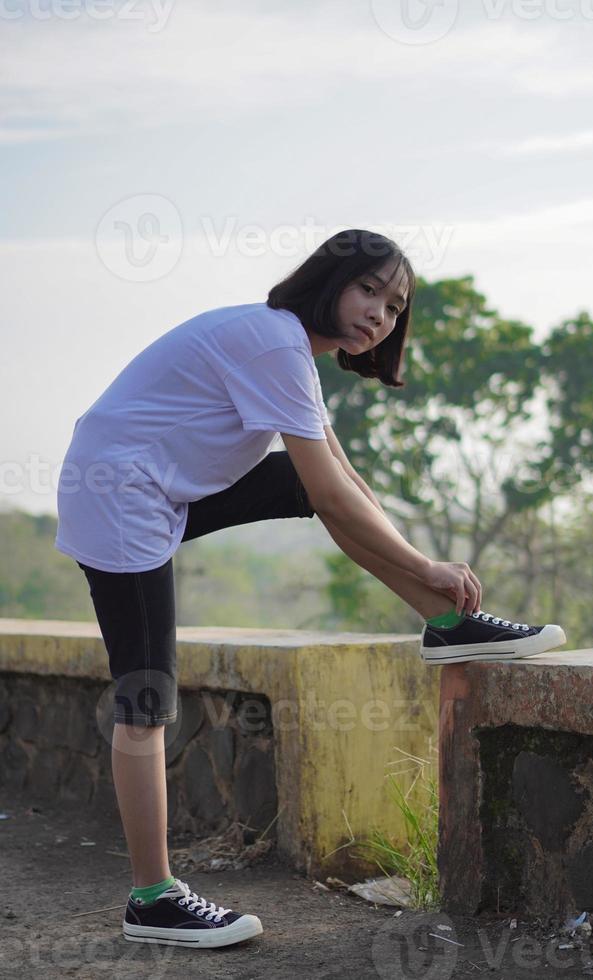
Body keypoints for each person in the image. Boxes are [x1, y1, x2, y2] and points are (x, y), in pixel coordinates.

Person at [54, 228, 566, 949]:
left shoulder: (287, 350)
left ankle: (446, 626)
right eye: (368, 291)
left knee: (302, 480)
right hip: (120, 494)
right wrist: (430, 568)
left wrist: (435, 585)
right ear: (327, 281)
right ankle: (153, 898)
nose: (379, 316)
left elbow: (337, 476)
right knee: (145, 698)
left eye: (394, 307)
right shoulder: (274, 342)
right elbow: (332, 494)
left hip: (156, 487)